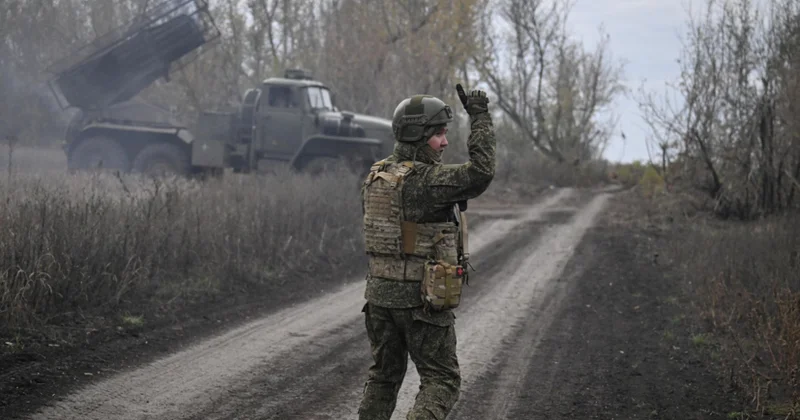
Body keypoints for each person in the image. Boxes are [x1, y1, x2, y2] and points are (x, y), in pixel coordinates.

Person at [358, 85, 496, 420]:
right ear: (419, 136)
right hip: (420, 301)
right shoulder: (426, 180)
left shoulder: (377, 175)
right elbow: (481, 172)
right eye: (439, 135)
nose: (445, 142)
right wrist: (479, 117)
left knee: (383, 378)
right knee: (442, 380)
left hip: (378, 300)